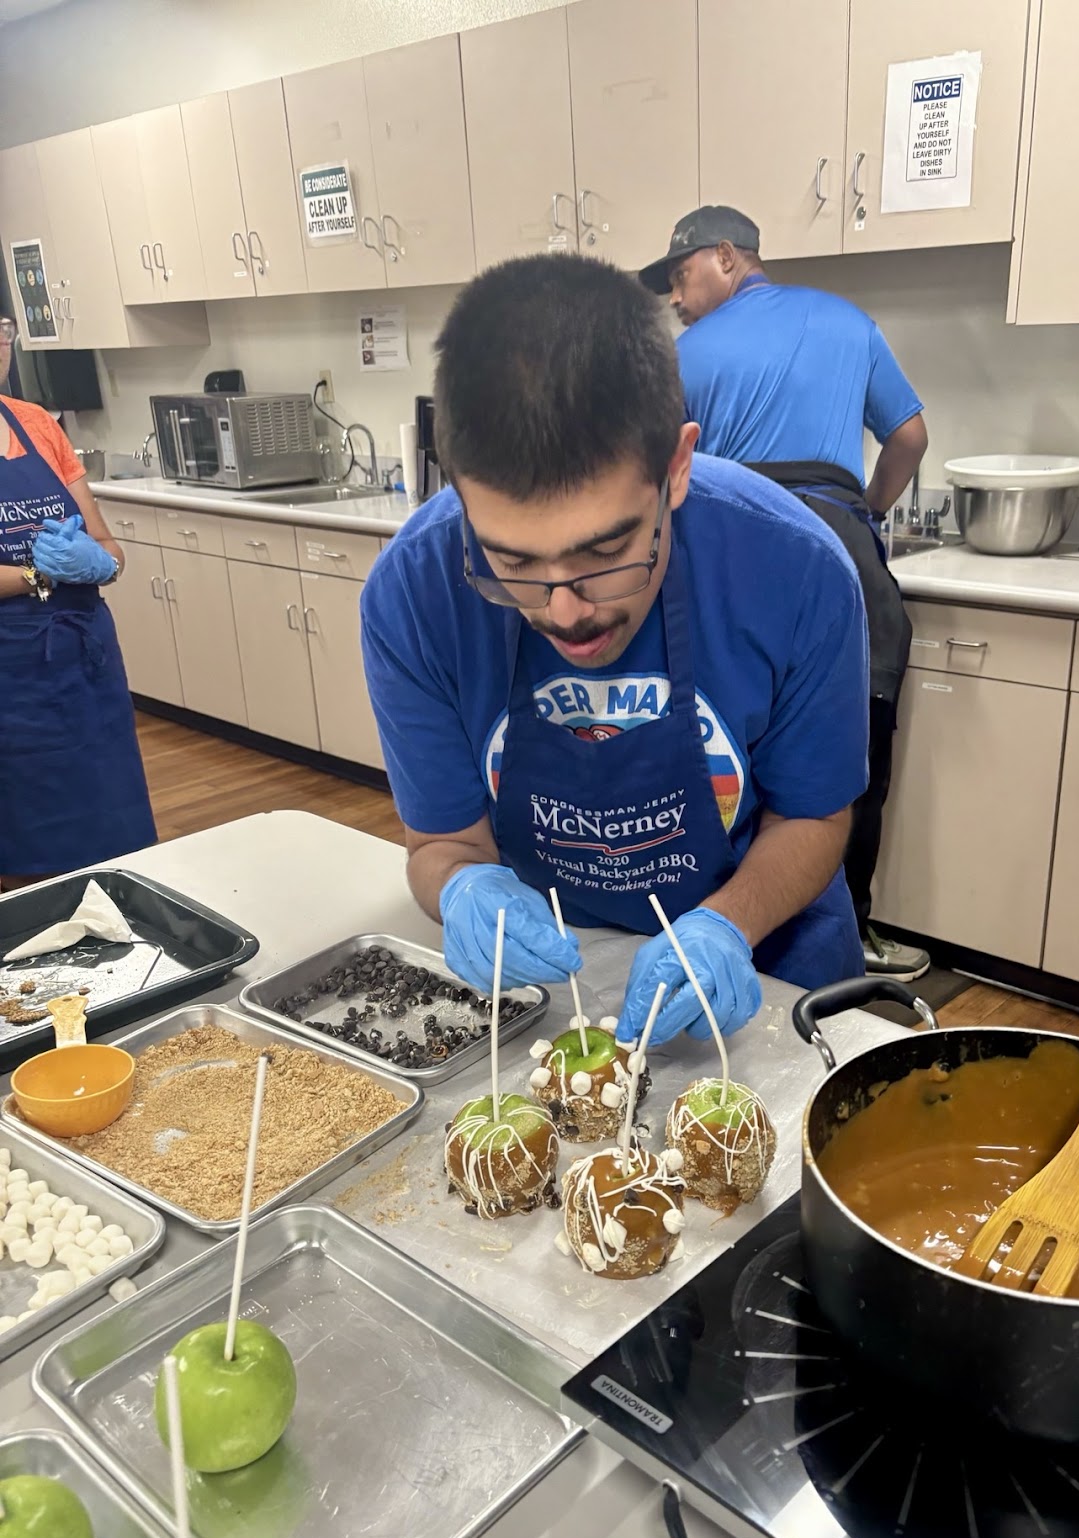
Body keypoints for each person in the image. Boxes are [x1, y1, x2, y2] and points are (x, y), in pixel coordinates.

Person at [361, 255, 870, 1047]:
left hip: (764, 970)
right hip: (550, 987)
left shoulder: (796, 569)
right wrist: (462, 888)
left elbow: (813, 815)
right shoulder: (414, 593)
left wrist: (727, 927)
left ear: (676, 466)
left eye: (606, 552)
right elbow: (443, 843)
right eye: (515, 563)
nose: (564, 611)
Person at [640, 206, 930, 983]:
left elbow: (655, 478)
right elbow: (910, 438)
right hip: (840, 551)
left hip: (726, 557)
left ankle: (711, 931)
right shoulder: (848, 321)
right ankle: (851, 938)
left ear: (729, 258)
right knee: (848, 762)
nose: (676, 297)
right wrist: (864, 512)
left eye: (681, 276)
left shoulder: (686, 354)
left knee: (726, 750)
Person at [0, 315, 156, 889]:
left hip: (84, 668)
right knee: (25, 857)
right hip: (10, 682)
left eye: (0, 331)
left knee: (113, 836)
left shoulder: (38, 424)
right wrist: (39, 573)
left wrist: (104, 564)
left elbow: (105, 542)